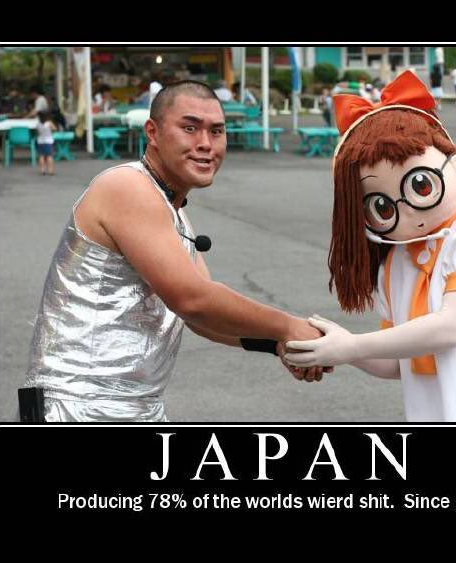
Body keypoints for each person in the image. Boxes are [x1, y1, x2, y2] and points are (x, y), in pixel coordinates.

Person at [22, 80, 328, 423]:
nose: (205, 143)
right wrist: (287, 326)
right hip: (77, 406)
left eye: (216, 131)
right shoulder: (126, 186)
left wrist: (276, 343)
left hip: (136, 408)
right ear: (152, 132)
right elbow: (192, 299)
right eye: (190, 128)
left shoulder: (174, 213)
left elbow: (200, 319)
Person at [284, 71, 456, 422]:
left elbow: (450, 328)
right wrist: (337, 346)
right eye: (382, 207)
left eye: (421, 185)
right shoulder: (395, 263)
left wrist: (352, 346)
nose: (407, 211)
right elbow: (398, 363)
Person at [35, 111, 56, 176]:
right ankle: (50, 171)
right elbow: (54, 129)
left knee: (41, 156)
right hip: (48, 142)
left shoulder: (38, 124)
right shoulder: (49, 123)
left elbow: (37, 132)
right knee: (49, 156)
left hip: (40, 142)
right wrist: (51, 131)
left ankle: (42, 170)